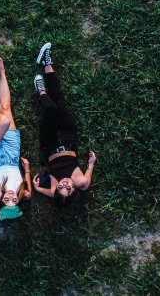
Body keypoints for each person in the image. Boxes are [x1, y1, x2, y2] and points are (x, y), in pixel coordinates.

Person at [32, 43, 96, 206]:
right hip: (69, 138)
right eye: (68, 188)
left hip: (49, 142)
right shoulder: (81, 182)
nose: (65, 184)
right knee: (59, 100)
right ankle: (47, 62)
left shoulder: (54, 189)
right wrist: (91, 164)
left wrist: (39, 189)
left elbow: (52, 194)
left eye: (61, 187)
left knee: (51, 109)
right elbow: (88, 174)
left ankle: (41, 91)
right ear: (74, 191)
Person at [0, 58, 32, 220]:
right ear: (19, 201)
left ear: (1, 201)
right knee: (5, 108)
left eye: (7, 200)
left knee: (4, 121)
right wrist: (27, 170)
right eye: (14, 200)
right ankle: (2, 71)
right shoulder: (25, 193)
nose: (11, 195)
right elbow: (28, 187)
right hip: (12, 154)